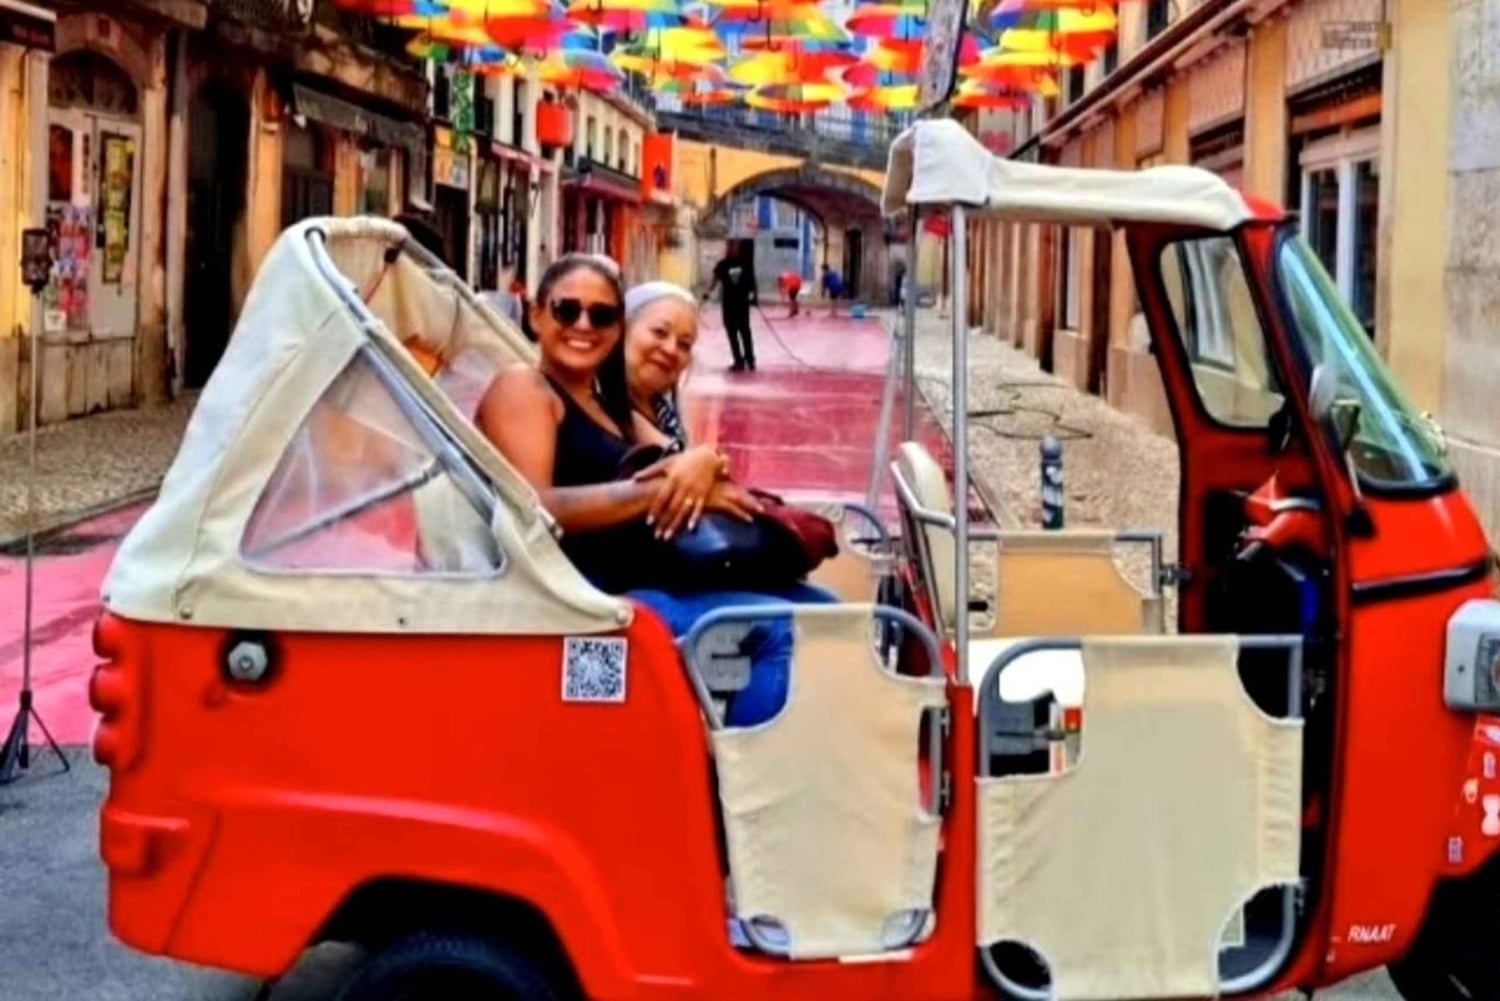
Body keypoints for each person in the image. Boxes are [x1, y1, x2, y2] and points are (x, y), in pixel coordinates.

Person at [476, 258, 834, 726]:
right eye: (567, 310)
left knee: (832, 615)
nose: (583, 325)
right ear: (537, 315)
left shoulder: (605, 403)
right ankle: (745, 771)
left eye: (602, 315)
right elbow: (534, 507)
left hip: (649, 577)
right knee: (774, 631)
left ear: (616, 329)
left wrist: (703, 465)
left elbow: (683, 457)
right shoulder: (524, 387)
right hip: (586, 599)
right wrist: (657, 491)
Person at [703, 239, 758, 372]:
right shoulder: (723, 264)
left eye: (734, 247)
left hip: (740, 304)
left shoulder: (744, 264)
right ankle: (739, 360)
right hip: (730, 304)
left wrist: (754, 296)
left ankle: (749, 359)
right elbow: (714, 280)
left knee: (744, 332)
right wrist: (707, 292)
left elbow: (752, 281)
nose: (732, 249)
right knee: (734, 333)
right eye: (730, 247)